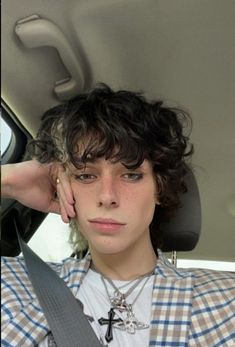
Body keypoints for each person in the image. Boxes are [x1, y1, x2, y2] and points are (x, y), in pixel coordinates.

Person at [1, 84, 235, 347]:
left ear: (159, 188)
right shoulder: (14, 285)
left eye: (131, 174)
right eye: (86, 175)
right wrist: (7, 180)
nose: (107, 196)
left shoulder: (225, 301)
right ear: (62, 185)